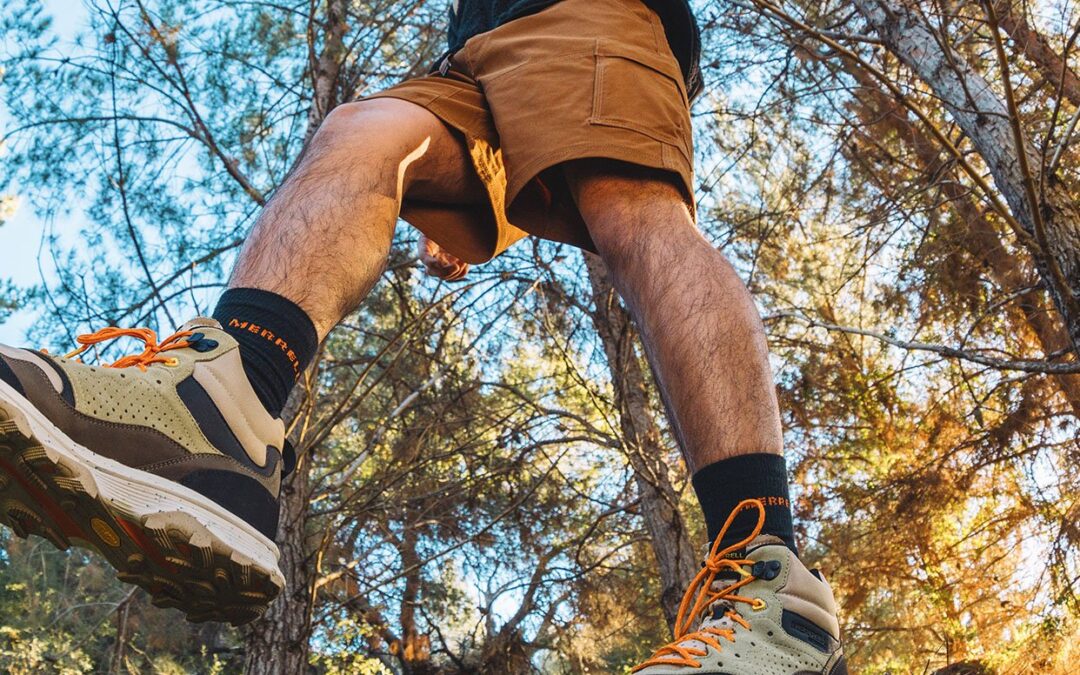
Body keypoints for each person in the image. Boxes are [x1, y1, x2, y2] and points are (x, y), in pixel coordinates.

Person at [0, 0, 846, 671]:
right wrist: (472, 190)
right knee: (360, 136)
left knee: (632, 209)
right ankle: (223, 411)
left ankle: (769, 576)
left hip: (591, 10)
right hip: (476, 49)